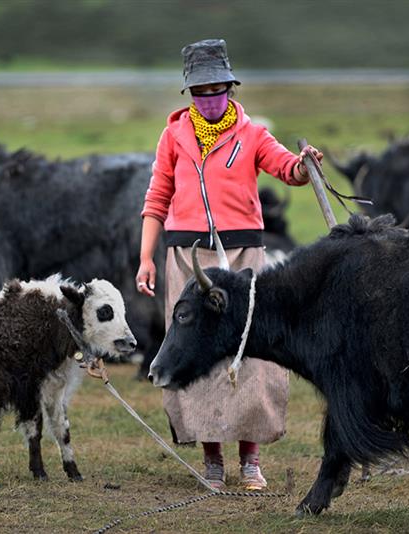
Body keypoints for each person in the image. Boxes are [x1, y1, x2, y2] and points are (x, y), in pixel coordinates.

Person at [136, 38, 322, 491]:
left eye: (218, 89)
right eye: (201, 91)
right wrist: (146, 258)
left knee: (252, 354)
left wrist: (305, 165)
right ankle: (212, 459)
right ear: (190, 95)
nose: (210, 98)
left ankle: (251, 460)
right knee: (195, 352)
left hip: (242, 258)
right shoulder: (173, 136)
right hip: (188, 256)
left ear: (231, 89)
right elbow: (157, 197)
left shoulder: (252, 133)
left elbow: (285, 169)